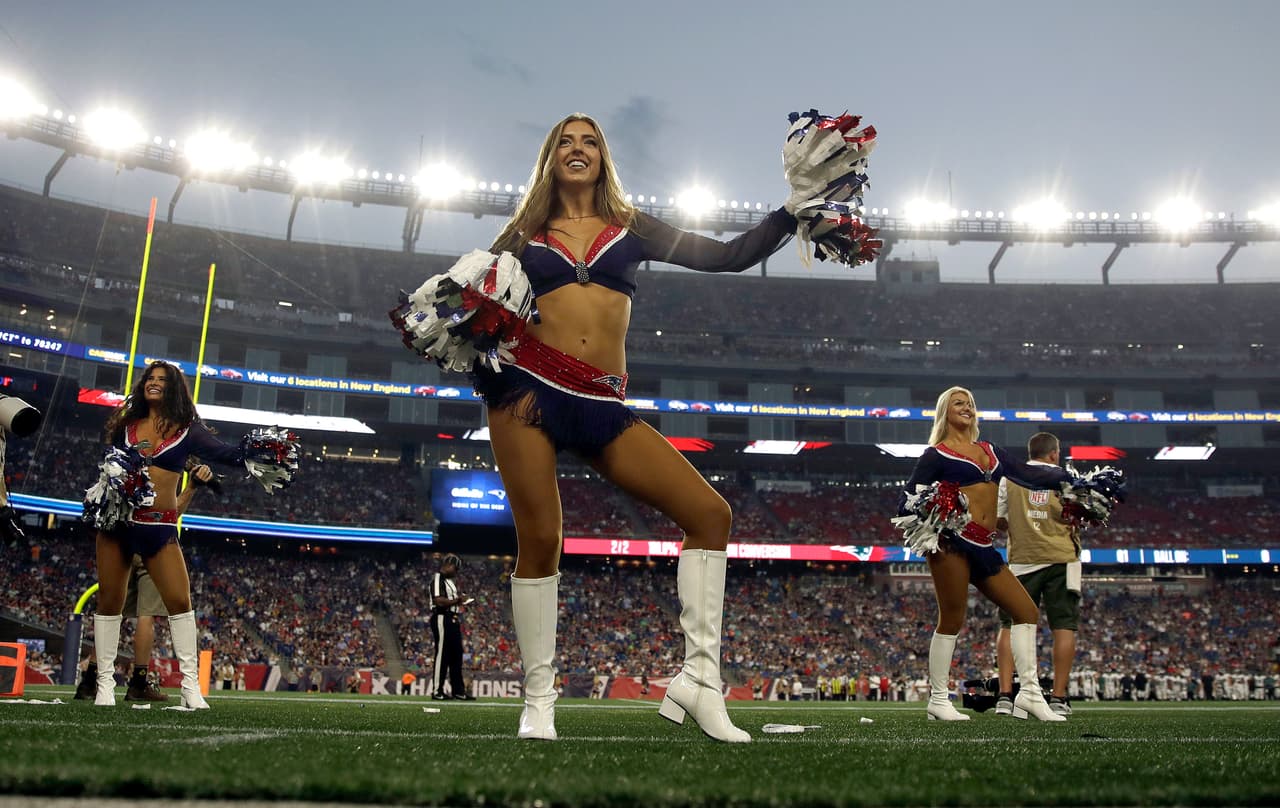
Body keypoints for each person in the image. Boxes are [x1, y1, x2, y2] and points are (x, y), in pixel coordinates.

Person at [478, 113, 801, 743]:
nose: (578, 149)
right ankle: (538, 701)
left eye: (589, 141)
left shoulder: (633, 227)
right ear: (550, 158)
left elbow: (728, 256)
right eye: (565, 142)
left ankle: (700, 684)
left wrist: (789, 213)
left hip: (601, 400)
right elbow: (471, 302)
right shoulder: (521, 234)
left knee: (710, 515)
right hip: (527, 392)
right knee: (541, 537)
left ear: (603, 157)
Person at [90, 360, 283, 709]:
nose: (154, 383)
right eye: (150, 378)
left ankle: (190, 686)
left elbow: (225, 454)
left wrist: (258, 452)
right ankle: (104, 685)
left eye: (162, 380)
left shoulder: (186, 430)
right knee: (109, 603)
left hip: (159, 527)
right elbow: (111, 466)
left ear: (173, 388)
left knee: (180, 603)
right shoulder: (127, 426)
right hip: (118, 525)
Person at [897, 386, 1086, 722]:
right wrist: (941, 508)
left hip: (985, 546)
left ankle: (1028, 695)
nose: (966, 407)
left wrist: (1070, 480)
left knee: (1025, 610)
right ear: (945, 412)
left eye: (969, 403)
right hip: (951, 543)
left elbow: (1028, 475)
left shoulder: (991, 451)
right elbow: (907, 502)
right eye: (958, 403)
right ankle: (938, 700)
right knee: (952, 619)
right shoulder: (936, 455)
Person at [77, 463, 215, 703]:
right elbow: (170, 514)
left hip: (119, 537)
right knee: (146, 614)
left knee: (110, 613)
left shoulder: (131, 457)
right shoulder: (164, 467)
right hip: (150, 544)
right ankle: (138, 682)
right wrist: (191, 487)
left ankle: (91, 680)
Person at [994, 432, 1081, 718]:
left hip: (1022, 560)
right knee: (1063, 627)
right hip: (1062, 558)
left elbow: (999, 520)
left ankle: (1005, 696)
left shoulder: (1010, 479)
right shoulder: (1069, 478)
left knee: (1010, 624)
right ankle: (1058, 697)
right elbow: (1083, 515)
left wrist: (1020, 523)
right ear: (1054, 453)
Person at [429, 553, 475, 701]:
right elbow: (438, 601)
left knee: (456, 656)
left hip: (453, 619)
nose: (456, 572)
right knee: (442, 654)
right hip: (442, 617)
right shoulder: (438, 578)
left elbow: (449, 600)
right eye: (455, 568)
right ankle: (437, 690)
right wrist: (457, 600)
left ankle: (458, 691)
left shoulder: (449, 582)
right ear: (448, 565)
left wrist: (460, 601)